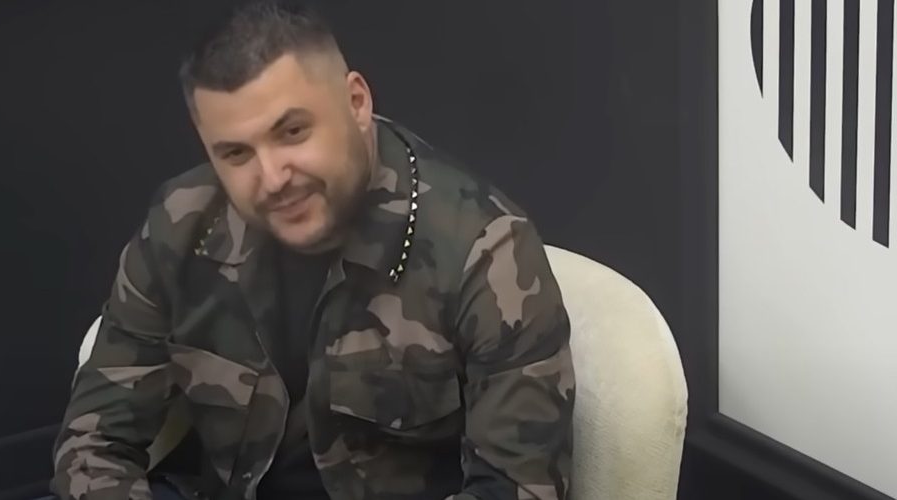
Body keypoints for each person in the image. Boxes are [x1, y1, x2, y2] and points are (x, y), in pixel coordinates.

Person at [49, 1, 575, 499]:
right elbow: (93, 443)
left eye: (293, 132)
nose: (272, 178)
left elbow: (517, 488)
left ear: (357, 102)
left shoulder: (486, 252)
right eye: (236, 154)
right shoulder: (180, 224)